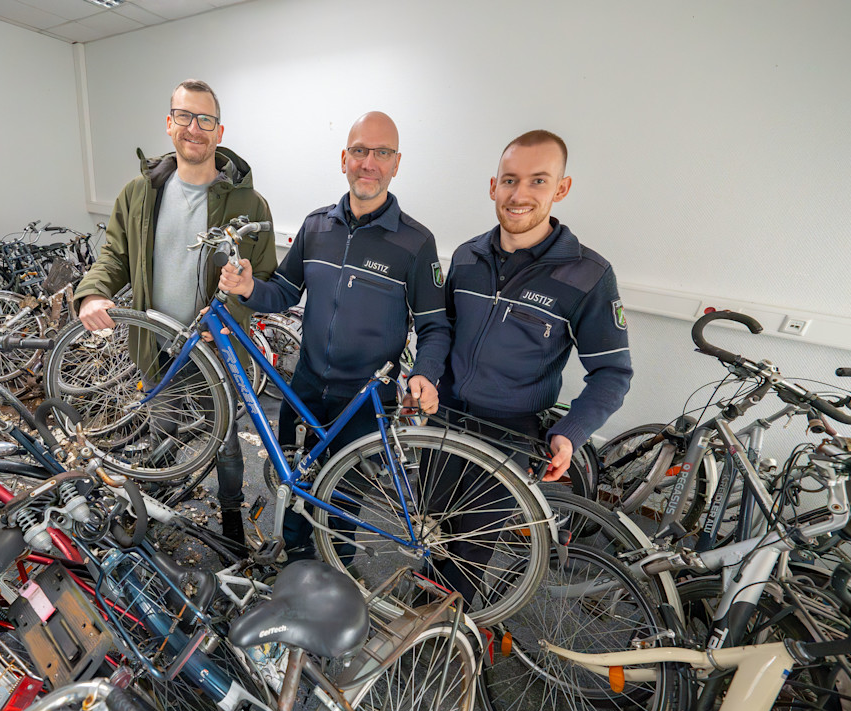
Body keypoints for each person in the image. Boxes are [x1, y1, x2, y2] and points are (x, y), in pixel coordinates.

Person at [218, 111, 450, 561]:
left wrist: (425, 373)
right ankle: (293, 558)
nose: (368, 163)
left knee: (344, 498)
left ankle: (338, 572)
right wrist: (249, 288)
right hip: (304, 387)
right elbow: (285, 292)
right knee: (295, 482)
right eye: (359, 151)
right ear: (344, 158)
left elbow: (435, 325)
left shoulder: (416, 243)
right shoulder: (316, 226)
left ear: (396, 163)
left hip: (364, 400)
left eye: (381, 153)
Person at [73, 79, 277, 545]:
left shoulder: (247, 203)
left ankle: (231, 518)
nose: (194, 128)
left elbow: (261, 277)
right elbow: (115, 256)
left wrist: (228, 318)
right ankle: (155, 510)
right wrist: (93, 294)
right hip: (156, 346)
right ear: (169, 124)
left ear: (219, 131)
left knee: (225, 442)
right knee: (161, 429)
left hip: (215, 351)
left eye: (205, 119)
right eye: (184, 116)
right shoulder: (138, 193)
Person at [437, 129, 633, 598]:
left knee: (470, 549)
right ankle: (423, 608)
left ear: (561, 189)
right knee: (432, 530)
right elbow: (442, 333)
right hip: (443, 420)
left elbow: (613, 372)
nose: (519, 194)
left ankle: (446, 629)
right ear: (493, 186)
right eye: (509, 180)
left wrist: (572, 431)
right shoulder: (466, 256)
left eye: (538, 181)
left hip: (508, 432)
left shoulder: (588, 275)